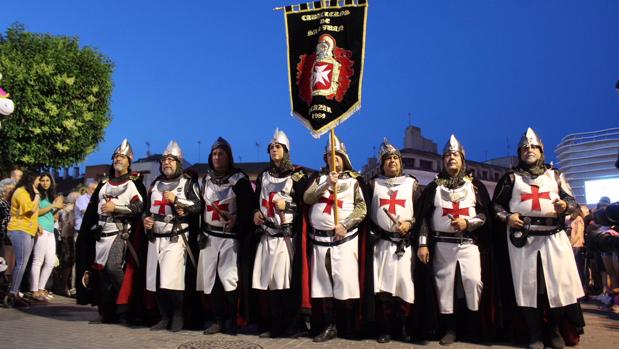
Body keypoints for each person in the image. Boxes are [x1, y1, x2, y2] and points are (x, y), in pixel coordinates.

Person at [493, 128, 584, 349]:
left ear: (541, 151)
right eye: (525, 148)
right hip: (523, 239)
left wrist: (565, 206)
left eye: (533, 147)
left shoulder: (555, 175)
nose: (529, 150)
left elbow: (573, 203)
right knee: (528, 287)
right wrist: (508, 217)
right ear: (519, 153)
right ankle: (534, 333)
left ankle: (552, 330)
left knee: (559, 286)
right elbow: (496, 206)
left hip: (554, 237)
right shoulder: (511, 178)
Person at [415, 135, 494, 345]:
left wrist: (468, 224)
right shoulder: (434, 188)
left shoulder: (474, 186)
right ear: (443, 160)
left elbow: (485, 215)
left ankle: (473, 326)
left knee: (473, 281)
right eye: (448, 155)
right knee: (445, 287)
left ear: (462, 159)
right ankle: (449, 328)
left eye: (455, 154)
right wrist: (422, 243)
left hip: (468, 244)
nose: (451, 157)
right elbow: (423, 218)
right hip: (441, 245)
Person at [303, 134, 367, 342]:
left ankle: (347, 326)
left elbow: (362, 208)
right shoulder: (317, 179)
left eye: (337, 157)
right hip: (319, 241)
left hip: (345, 240)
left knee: (345, 283)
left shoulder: (354, 180)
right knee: (323, 285)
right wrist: (326, 184)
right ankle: (329, 326)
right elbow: (307, 198)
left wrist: (345, 225)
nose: (333, 160)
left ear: (344, 159)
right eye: (330, 157)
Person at [75, 139, 147, 324]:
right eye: (116, 156)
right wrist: (90, 229)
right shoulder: (104, 183)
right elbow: (92, 211)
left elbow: (139, 207)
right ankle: (107, 313)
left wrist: (116, 208)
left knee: (113, 268)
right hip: (101, 233)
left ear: (129, 161)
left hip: (120, 232)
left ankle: (127, 308)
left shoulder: (133, 184)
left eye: (122, 157)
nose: (118, 159)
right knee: (102, 275)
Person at [252, 128, 308, 338]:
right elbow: (256, 201)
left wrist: (289, 206)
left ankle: (292, 325)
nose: (274, 150)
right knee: (272, 283)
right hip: (267, 234)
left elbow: (306, 204)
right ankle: (275, 326)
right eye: (272, 147)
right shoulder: (263, 176)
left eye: (278, 147)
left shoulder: (298, 175)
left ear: (286, 150)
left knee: (287, 283)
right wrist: (255, 213)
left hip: (287, 237)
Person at [198, 137, 255, 335]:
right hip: (209, 236)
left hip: (230, 237)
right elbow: (200, 208)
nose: (217, 157)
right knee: (210, 279)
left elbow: (249, 209)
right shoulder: (205, 180)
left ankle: (231, 320)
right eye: (214, 153)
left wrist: (237, 221)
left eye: (221, 154)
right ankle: (217, 319)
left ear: (228, 156)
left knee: (229, 279)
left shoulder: (239, 180)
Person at [143, 141, 201, 332]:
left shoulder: (188, 183)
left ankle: (178, 315)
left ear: (179, 162)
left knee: (172, 279)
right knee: (157, 279)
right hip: (156, 237)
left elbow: (198, 206)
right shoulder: (155, 184)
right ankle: (164, 316)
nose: (166, 162)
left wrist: (177, 200)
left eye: (170, 159)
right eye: (164, 159)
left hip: (176, 237)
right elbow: (146, 210)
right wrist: (147, 221)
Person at [366, 139, 420, 343]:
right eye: (388, 159)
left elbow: (421, 213)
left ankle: (403, 327)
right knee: (383, 288)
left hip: (404, 245)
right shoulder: (373, 184)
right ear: (382, 164)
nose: (392, 161)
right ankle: (385, 328)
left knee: (404, 285)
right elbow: (366, 216)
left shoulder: (411, 184)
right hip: (382, 244)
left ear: (401, 162)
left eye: (396, 158)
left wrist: (410, 223)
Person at [6, 171, 40, 307]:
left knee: (23, 263)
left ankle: (16, 292)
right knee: (21, 263)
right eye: (37, 180)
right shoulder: (21, 192)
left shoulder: (26, 193)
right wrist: (37, 195)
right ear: (31, 180)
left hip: (28, 230)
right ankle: (13, 293)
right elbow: (29, 209)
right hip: (19, 229)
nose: (38, 183)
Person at [29, 173, 63, 302]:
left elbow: (49, 214)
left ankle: (41, 289)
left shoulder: (50, 195)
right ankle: (34, 290)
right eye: (42, 180)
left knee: (50, 262)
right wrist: (53, 206)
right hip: (41, 229)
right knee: (38, 260)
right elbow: (36, 212)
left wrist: (57, 208)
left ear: (51, 182)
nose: (45, 183)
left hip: (50, 229)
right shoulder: (36, 195)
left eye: (47, 180)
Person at [0, 178, 16, 279]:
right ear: (3, 191)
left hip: (12, 235)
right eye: (9, 189)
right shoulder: (1, 203)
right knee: (5, 261)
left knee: (12, 261)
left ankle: (9, 285)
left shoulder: (12, 204)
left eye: (12, 189)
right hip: (3, 236)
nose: (11, 192)